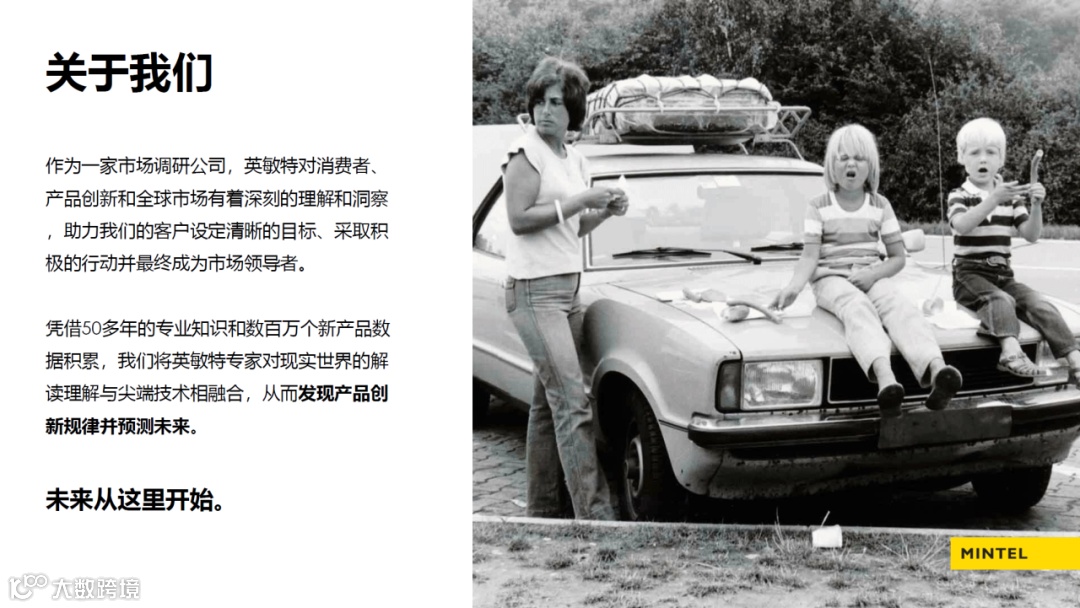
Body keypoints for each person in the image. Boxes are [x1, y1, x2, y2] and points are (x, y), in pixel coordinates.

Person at [501, 57, 628, 520]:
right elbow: (519, 220)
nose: (546, 111)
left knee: (546, 406)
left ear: (573, 109)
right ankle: (596, 518)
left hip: (568, 291)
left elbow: (571, 228)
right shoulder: (525, 152)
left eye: (556, 103)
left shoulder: (574, 158)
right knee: (573, 404)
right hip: (533, 293)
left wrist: (606, 210)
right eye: (540, 101)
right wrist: (580, 200)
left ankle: (541, 514)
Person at [771, 124, 963, 418]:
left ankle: (937, 370)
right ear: (831, 165)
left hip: (869, 273)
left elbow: (897, 258)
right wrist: (793, 288)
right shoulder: (818, 207)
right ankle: (887, 380)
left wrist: (873, 275)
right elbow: (809, 257)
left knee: (900, 306)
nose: (851, 164)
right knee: (857, 307)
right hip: (830, 279)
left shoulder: (880, 205)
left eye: (859, 158)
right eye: (843, 158)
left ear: (870, 166)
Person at [948, 117, 1080, 383]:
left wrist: (1036, 205)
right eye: (974, 153)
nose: (983, 159)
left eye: (991, 152)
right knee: (1001, 300)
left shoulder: (1011, 198)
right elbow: (961, 225)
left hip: (1003, 274)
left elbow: (1031, 234)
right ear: (962, 158)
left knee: (1039, 303)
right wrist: (994, 198)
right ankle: (1010, 353)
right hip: (968, 275)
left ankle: (1074, 358)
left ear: (1001, 159)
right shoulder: (959, 194)